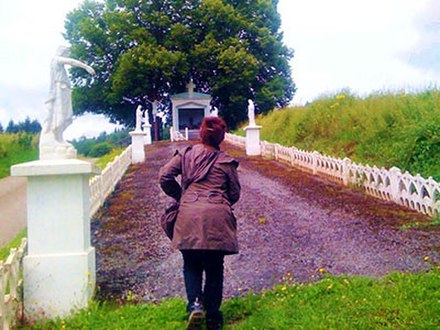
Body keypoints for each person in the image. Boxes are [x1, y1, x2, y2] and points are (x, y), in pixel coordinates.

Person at [159, 117, 240, 330]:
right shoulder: (226, 161)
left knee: (191, 263)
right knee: (215, 266)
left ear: (201, 133)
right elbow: (234, 193)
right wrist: (218, 201)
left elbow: (165, 176)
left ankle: (195, 305)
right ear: (221, 137)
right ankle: (213, 316)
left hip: (189, 215)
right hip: (217, 217)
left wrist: (182, 197)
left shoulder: (185, 154)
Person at [39, 45, 95, 159]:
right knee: (61, 114)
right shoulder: (56, 59)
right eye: (67, 52)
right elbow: (70, 62)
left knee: (67, 114)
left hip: (64, 89)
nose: (68, 54)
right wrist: (86, 67)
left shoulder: (57, 61)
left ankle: (59, 138)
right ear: (63, 52)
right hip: (60, 89)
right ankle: (55, 137)